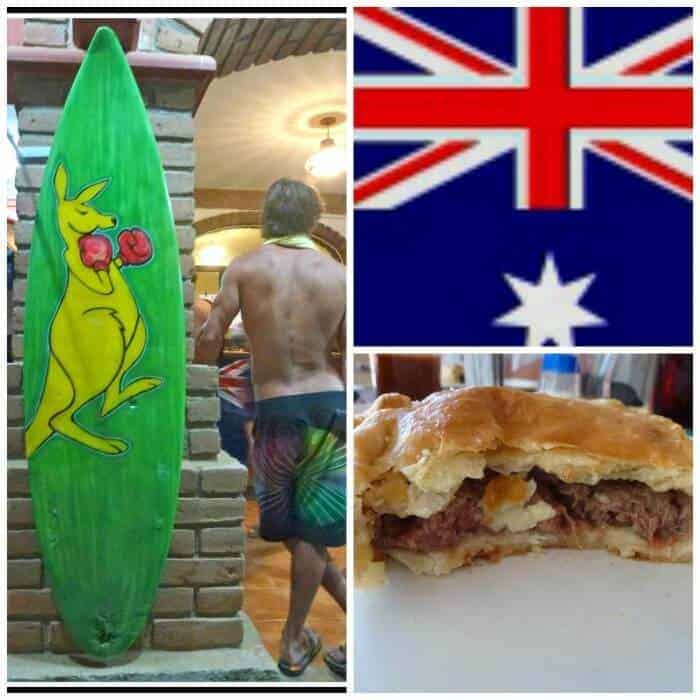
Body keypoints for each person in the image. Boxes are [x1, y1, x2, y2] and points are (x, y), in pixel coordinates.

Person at [195, 178, 346, 678]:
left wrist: (195, 383)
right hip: (327, 402)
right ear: (313, 219)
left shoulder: (246, 266)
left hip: (278, 408)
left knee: (294, 530)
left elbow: (211, 334)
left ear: (267, 218)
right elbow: (345, 348)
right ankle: (350, 621)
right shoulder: (338, 274)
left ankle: (291, 639)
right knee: (304, 531)